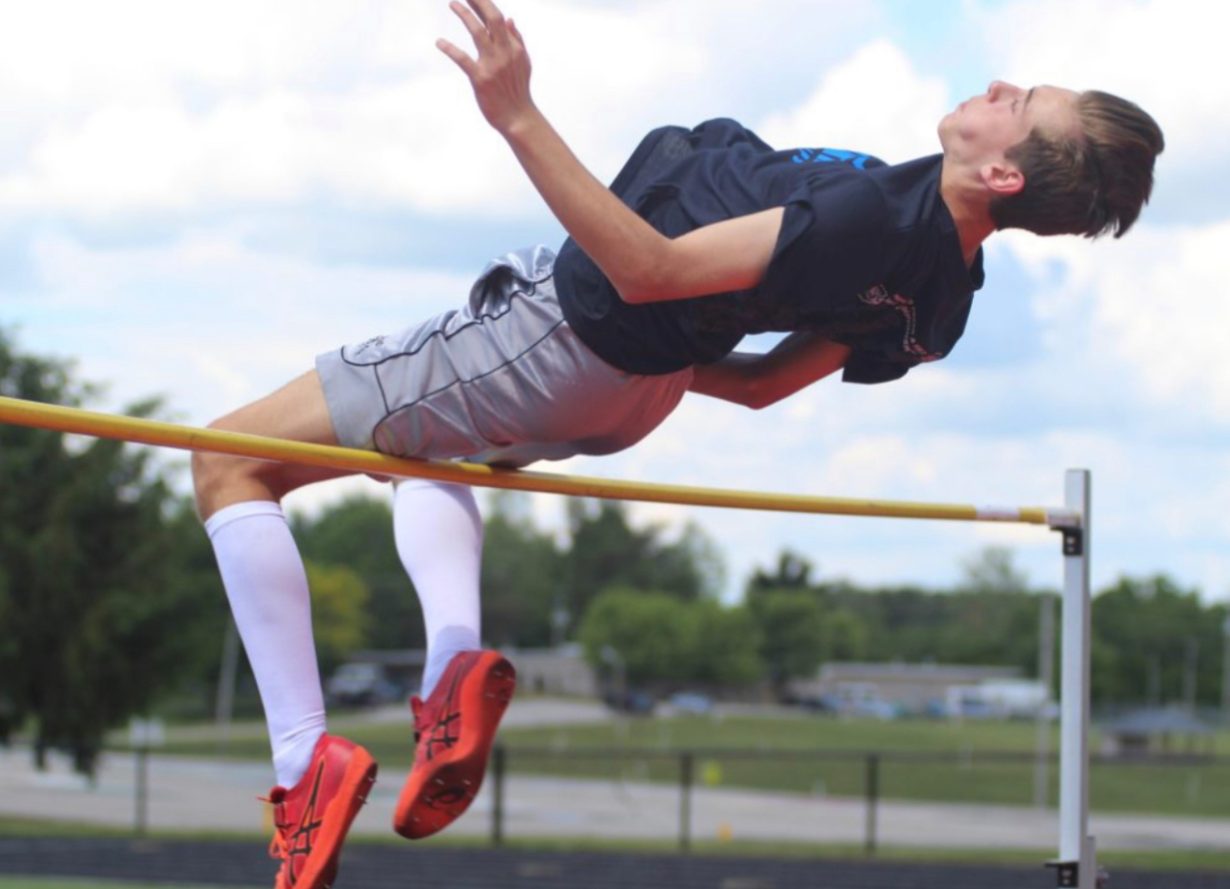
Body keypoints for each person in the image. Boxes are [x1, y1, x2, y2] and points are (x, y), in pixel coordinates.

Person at [190, 1, 1164, 886]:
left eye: (1018, 102)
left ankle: (303, 764)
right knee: (421, 452)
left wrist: (516, 115)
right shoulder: (942, 293)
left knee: (227, 458)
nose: (997, 85)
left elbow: (647, 269)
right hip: (636, 389)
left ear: (1003, 174)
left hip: (567, 334)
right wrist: (622, 373)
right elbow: (760, 386)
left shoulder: (870, 215)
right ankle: (451, 673)